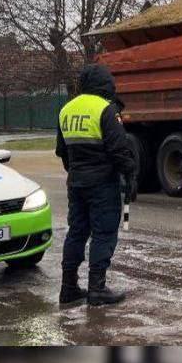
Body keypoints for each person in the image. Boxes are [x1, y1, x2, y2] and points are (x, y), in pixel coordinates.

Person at [56, 63, 137, 308]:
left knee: (77, 232)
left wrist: (77, 173)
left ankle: (68, 287)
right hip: (102, 184)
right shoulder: (106, 109)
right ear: (105, 84)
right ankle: (97, 290)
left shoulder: (66, 110)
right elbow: (119, 150)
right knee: (103, 233)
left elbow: (62, 152)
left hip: (76, 183)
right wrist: (130, 176)